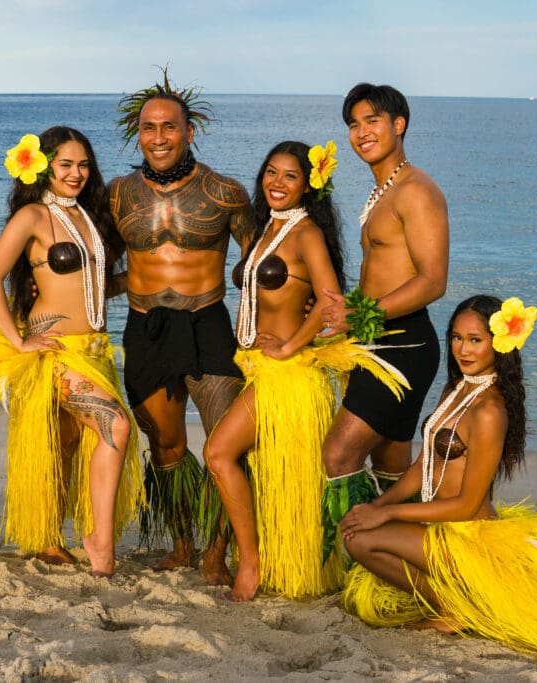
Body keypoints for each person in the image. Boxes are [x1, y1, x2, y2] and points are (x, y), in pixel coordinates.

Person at [339, 295, 537, 666]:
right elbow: (423, 466)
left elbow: (468, 505)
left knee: (362, 541)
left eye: (475, 340)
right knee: (358, 531)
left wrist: (388, 516)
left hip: (468, 533)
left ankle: (457, 608)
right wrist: (377, 505)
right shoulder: (459, 388)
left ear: (498, 343)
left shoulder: (489, 410)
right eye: (456, 338)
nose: (462, 349)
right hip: (439, 527)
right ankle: (461, 603)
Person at [0, 127, 144, 576]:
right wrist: (18, 340)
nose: (76, 174)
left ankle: (48, 538)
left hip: (97, 351)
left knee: (65, 445)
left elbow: (94, 288)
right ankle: (100, 544)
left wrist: (148, 284)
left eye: (83, 165)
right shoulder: (32, 216)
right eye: (65, 164)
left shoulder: (90, 215)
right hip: (55, 353)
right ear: (44, 166)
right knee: (115, 427)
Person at [205, 141, 409, 602]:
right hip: (259, 370)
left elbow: (331, 301)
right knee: (265, 470)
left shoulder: (306, 234)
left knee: (219, 454)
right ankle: (270, 558)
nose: (277, 182)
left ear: (309, 185)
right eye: (271, 172)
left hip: (289, 375)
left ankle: (250, 565)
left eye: (290, 176)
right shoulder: (267, 230)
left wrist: (291, 345)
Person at [109, 70, 255, 585]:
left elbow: (260, 261)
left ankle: (218, 553)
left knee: (223, 447)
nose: (158, 137)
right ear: (138, 134)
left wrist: (272, 322)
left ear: (189, 131)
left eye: (169, 127)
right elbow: (94, 262)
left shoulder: (225, 192)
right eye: (149, 128)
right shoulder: (118, 194)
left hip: (207, 323)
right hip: (146, 326)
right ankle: (182, 545)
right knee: (165, 446)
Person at [317, 83, 450, 562]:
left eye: (372, 120)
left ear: (399, 124)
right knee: (390, 460)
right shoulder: (383, 190)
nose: (360, 132)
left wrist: (361, 314)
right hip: (377, 340)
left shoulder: (416, 190)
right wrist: (347, 312)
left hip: (403, 347)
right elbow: (386, 274)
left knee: (338, 456)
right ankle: (415, 560)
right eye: (353, 124)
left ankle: (355, 560)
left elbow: (434, 281)